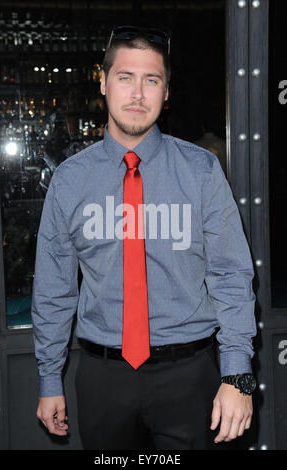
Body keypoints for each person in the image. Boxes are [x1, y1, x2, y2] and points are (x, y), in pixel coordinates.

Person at [32, 25, 257, 450]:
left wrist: (237, 374)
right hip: (102, 379)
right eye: (125, 77)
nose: (138, 93)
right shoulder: (69, 181)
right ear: (103, 82)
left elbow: (230, 275)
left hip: (190, 376)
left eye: (151, 80)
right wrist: (48, 378)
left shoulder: (201, 171)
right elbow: (53, 289)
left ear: (166, 91)